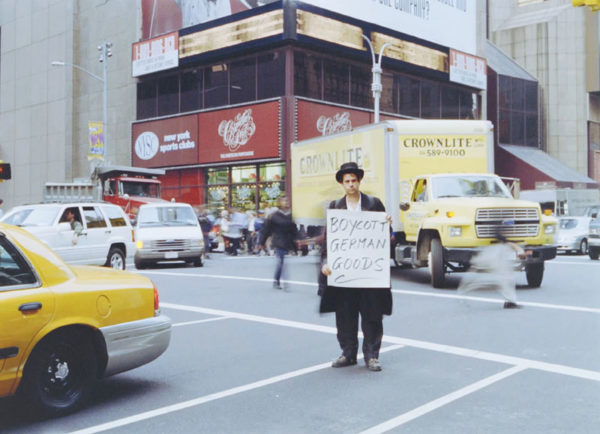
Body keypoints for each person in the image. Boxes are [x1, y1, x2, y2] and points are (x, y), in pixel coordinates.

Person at [319, 162, 393, 372]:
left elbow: (386, 237)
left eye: (353, 180)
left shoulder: (373, 203)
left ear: (359, 181)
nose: (350, 184)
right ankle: (348, 353)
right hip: (344, 272)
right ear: (342, 184)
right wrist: (325, 262)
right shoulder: (335, 207)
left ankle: (372, 356)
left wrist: (387, 223)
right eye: (347, 181)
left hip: (369, 271)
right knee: (345, 315)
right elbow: (328, 240)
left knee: (372, 314)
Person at [457, 230, 525, 309]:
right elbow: (512, 246)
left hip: (487, 251)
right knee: (506, 278)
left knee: (502, 278)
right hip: (495, 252)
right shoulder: (514, 246)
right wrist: (520, 252)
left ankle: (463, 290)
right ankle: (510, 302)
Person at [259, 196, 297, 289]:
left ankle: (278, 280)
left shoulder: (290, 215)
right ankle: (277, 281)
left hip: (287, 240)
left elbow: (294, 230)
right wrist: (261, 243)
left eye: (287, 200)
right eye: (284, 201)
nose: (287, 202)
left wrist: (298, 240)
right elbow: (266, 230)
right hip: (278, 240)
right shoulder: (274, 216)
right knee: (281, 261)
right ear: (279, 203)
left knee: (282, 261)